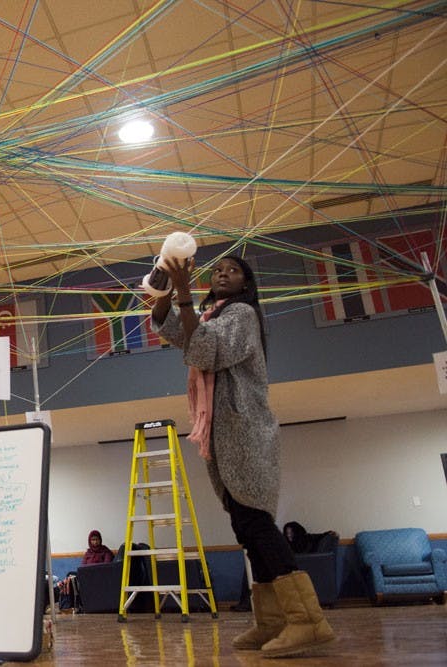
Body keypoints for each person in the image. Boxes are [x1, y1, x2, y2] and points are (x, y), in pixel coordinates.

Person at [150, 254, 335, 658]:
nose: (222, 273)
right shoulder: (213, 317)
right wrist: (164, 288)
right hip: (225, 436)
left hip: (247, 433)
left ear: (247, 284)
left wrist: (183, 292)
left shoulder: (243, 316)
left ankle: (308, 620)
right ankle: (271, 621)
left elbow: (205, 352)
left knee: (257, 523)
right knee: (246, 529)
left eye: (233, 270)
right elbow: (175, 331)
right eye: (217, 270)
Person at [56, 530, 114, 611]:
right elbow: (82, 566)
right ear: (90, 541)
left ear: (100, 540)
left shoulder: (105, 551)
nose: (95, 542)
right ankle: (70, 605)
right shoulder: (88, 553)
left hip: (100, 577)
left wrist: (92, 568)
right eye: (93, 540)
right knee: (70, 576)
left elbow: (107, 566)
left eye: (97, 539)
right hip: (87, 576)